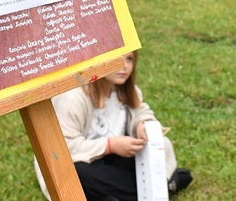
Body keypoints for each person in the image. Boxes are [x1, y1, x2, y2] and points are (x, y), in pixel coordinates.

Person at [36, 51, 191, 201]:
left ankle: (122, 194)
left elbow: (141, 112)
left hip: (113, 161)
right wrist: (110, 146)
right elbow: (61, 151)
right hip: (79, 163)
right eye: (117, 59)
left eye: (129, 59)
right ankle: (163, 186)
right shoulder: (73, 97)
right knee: (81, 174)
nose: (124, 66)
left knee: (163, 144)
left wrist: (141, 125)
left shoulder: (126, 90)